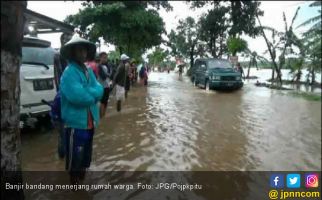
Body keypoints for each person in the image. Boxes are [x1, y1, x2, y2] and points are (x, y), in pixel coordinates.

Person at [60, 35, 103, 184]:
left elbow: (99, 88)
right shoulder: (69, 72)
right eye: (79, 51)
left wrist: (90, 92)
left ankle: (81, 181)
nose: (83, 54)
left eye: (84, 51)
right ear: (73, 52)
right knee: (75, 156)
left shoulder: (88, 70)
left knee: (86, 155)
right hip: (75, 124)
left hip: (90, 122)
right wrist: (92, 95)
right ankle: (73, 182)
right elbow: (78, 97)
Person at [53, 32, 72, 159]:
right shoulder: (58, 56)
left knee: (69, 129)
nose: (68, 42)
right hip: (63, 95)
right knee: (62, 130)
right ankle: (62, 156)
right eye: (66, 40)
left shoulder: (72, 57)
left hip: (71, 95)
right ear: (61, 41)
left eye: (69, 40)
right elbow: (58, 77)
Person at [97, 52, 113, 118]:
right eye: (104, 58)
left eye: (106, 58)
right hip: (102, 87)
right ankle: (102, 116)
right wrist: (109, 74)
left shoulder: (106, 66)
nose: (105, 59)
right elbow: (103, 77)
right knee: (103, 102)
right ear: (100, 58)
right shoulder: (99, 66)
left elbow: (109, 75)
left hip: (106, 86)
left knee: (105, 102)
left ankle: (103, 116)